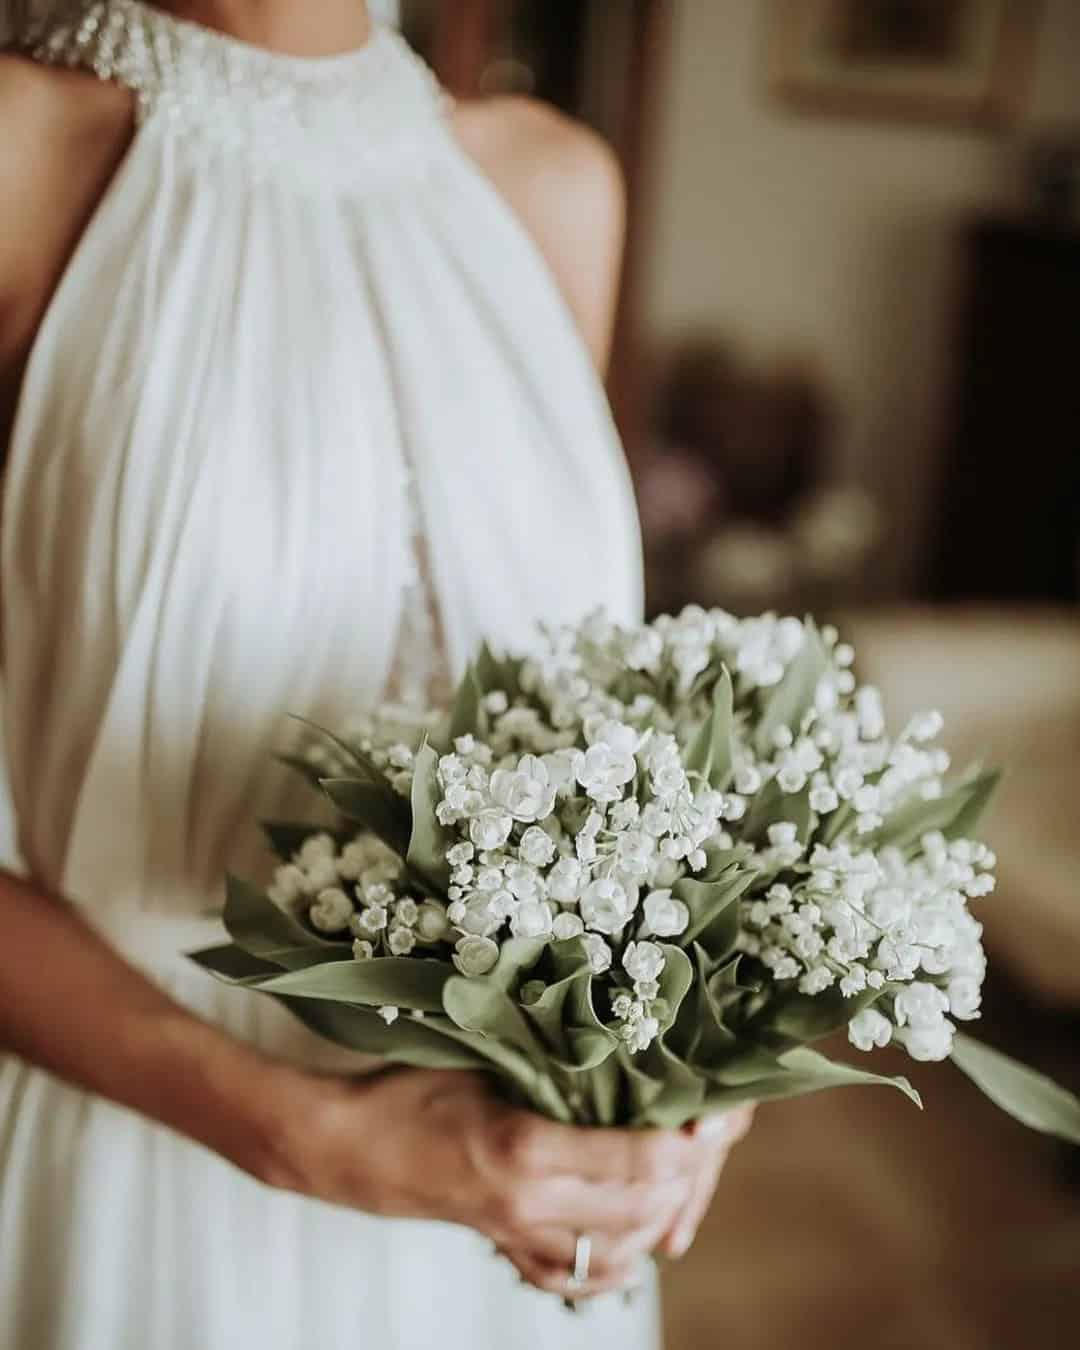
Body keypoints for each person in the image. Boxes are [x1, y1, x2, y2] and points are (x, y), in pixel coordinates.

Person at [0, 3, 753, 1347]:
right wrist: (310, 1136)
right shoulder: (21, 155)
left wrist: (694, 1058)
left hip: (515, 1193)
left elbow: (591, 734)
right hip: (146, 1173)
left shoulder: (553, 185)